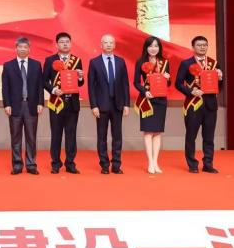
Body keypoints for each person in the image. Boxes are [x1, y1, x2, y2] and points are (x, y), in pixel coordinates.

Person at [175, 35, 224, 174]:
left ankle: (208, 164)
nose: (202, 47)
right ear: (193, 47)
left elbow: (219, 87)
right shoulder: (186, 63)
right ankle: (192, 164)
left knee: (209, 137)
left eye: (205, 45)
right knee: (191, 136)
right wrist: (191, 91)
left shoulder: (214, 64)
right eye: (199, 45)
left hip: (210, 105)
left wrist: (220, 78)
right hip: (193, 105)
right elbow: (178, 83)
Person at [88, 34, 130, 174]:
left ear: (114, 45)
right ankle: (104, 165)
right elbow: (91, 86)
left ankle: (116, 165)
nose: (108, 45)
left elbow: (125, 84)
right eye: (105, 42)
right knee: (102, 137)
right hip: (101, 106)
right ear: (101, 45)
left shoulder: (120, 62)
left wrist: (126, 104)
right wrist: (93, 105)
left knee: (117, 136)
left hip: (118, 105)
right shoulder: (94, 62)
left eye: (111, 42)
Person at [43, 32, 85, 175]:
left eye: (67, 41)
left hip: (72, 103)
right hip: (56, 102)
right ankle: (55, 163)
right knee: (56, 134)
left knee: (71, 135)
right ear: (57, 44)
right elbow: (44, 81)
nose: (65, 44)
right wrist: (53, 90)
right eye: (62, 42)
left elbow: (80, 83)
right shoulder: (50, 60)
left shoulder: (77, 60)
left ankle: (70, 163)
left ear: (71, 44)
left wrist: (80, 77)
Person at [1, 37, 44, 175]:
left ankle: (31, 165)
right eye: (20, 47)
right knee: (16, 137)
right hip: (15, 106)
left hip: (31, 105)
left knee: (31, 137)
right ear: (16, 48)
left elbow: (40, 86)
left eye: (25, 47)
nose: (23, 49)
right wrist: (7, 104)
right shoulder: (8, 65)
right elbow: (5, 87)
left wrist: (40, 102)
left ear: (29, 49)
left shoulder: (36, 65)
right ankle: (17, 165)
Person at [133, 36, 170, 175]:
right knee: (148, 132)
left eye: (156, 46)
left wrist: (167, 78)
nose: (153, 48)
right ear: (146, 47)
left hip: (161, 100)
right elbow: (136, 82)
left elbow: (168, 83)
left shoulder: (165, 62)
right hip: (147, 100)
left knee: (158, 132)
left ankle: (155, 162)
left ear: (159, 48)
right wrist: (145, 91)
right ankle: (150, 162)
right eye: (150, 46)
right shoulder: (140, 61)